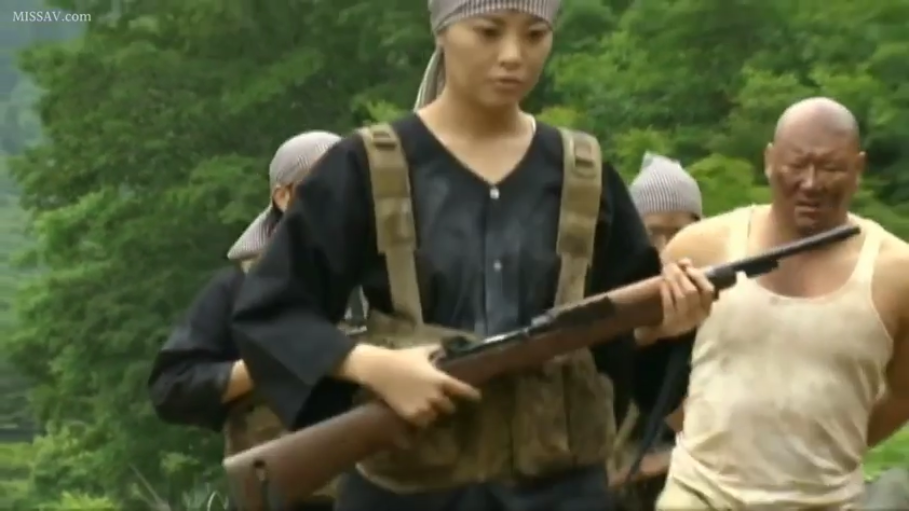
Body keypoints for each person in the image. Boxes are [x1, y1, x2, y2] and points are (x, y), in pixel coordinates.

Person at [231, 2, 715, 511]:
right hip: (407, 493)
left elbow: (624, 347)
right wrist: (373, 366)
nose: (513, 55)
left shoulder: (584, 173)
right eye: (488, 32)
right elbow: (271, 312)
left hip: (560, 491)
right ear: (443, 31)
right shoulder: (364, 167)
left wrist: (666, 326)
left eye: (534, 35)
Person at [654, 97, 909, 510]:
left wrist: (836, 448)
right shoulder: (701, 248)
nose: (811, 182)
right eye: (796, 164)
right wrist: (692, 425)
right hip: (700, 493)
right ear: (770, 160)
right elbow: (641, 351)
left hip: (827, 501)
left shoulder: (896, 271)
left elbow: (903, 393)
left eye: (830, 168)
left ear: (858, 168)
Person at [147, 131, 352, 511]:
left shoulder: (383, 281)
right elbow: (172, 387)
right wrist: (270, 363)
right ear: (284, 196)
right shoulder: (238, 290)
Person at [610, 153, 703, 510]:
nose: (665, 249)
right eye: (652, 233)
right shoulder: (613, 307)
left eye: (679, 233)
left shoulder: (719, 310)